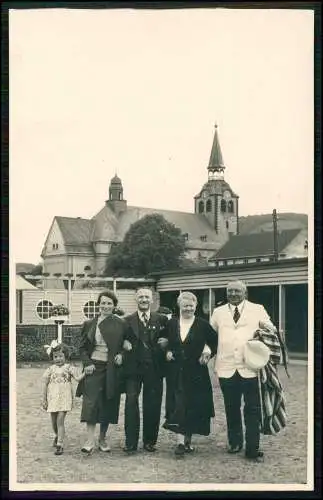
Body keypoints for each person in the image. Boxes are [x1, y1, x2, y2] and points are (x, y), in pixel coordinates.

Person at [210, 280, 276, 462]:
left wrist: (266, 333)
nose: (233, 294)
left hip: (251, 368)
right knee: (231, 408)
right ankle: (235, 442)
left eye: (237, 291)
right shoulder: (218, 312)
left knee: (252, 408)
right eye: (230, 291)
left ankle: (252, 448)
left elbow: (271, 328)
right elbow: (210, 336)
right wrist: (206, 352)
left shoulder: (257, 309)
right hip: (226, 367)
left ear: (245, 293)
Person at [76, 289, 135, 454]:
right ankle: (89, 440)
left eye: (109, 303)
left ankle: (102, 438)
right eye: (103, 303)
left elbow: (129, 343)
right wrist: (87, 363)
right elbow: (81, 348)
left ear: (114, 306)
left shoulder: (121, 323)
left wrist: (123, 354)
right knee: (91, 403)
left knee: (108, 402)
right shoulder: (89, 324)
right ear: (98, 304)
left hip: (111, 368)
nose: (106, 306)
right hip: (93, 367)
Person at [162, 291, 218, 458]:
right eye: (185, 305)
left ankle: (187, 441)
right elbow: (161, 339)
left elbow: (214, 341)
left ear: (196, 307)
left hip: (196, 372)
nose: (188, 308)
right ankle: (179, 442)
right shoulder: (171, 324)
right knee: (179, 404)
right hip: (176, 371)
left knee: (193, 406)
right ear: (179, 306)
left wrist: (207, 352)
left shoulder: (202, 324)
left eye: (191, 306)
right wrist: (167, 351)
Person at [122, 287, 169, 453]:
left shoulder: (162, 319)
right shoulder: (127, 320)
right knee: (131, 404)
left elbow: (172, 338)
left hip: (154, 369)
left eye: (146, 297)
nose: (143, 299)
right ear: (136, 299)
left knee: (152, 405)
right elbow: (120, 340)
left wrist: (167, 342)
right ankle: (131, 442)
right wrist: (123, 344)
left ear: (152, 299)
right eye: (140, 297)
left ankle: (150, 441)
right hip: (133, 370)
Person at [41, 340, 85, 456]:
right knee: (54, 422)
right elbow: (45, 384)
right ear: (52, 357)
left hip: (65, 398)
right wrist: (44, 399)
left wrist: (86, 372)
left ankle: (60, 444)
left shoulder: (68, 367)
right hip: (53, 398)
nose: (58, 359)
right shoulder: (50, 369)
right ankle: (57, 435)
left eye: (61, 356)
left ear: (66, 356)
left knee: (60, 420)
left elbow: (78, 378)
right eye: (55, 356)